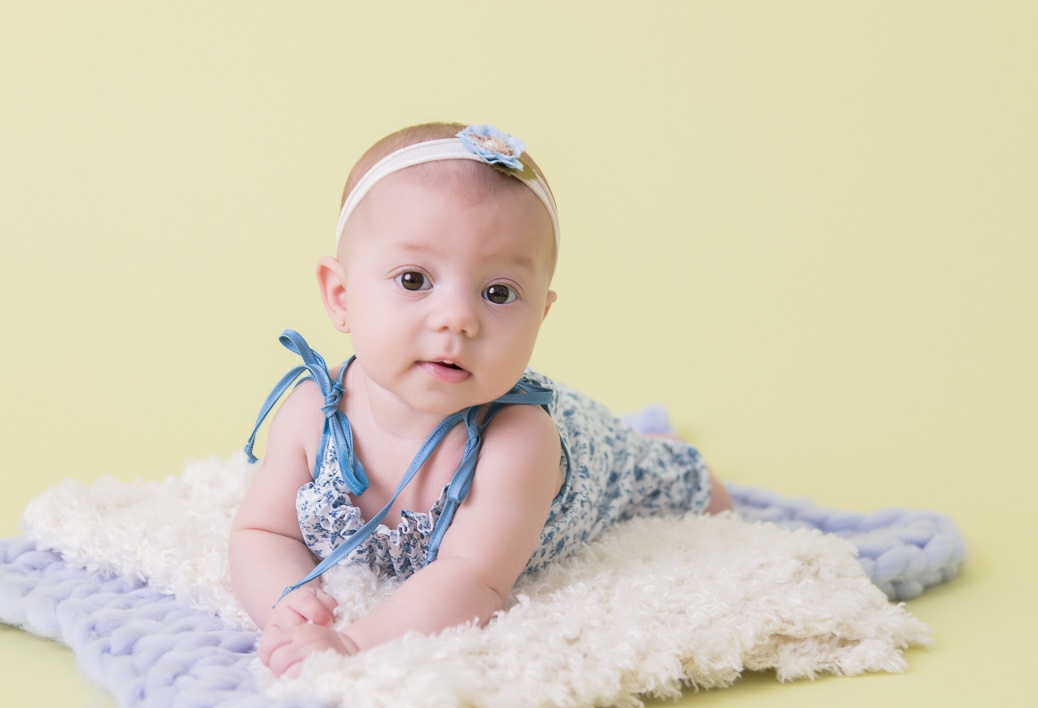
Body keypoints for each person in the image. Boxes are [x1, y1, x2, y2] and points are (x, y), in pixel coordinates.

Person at [229, 122, 733, 678]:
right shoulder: (311, 412)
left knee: (672, 479)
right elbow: (262, 531)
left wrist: (356, 644)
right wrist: (285, 600)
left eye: (498, 293)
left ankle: (656, 446)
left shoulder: (518, 439)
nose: (458, 319)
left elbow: (472, 578)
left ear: (540, 314)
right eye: (415, 279)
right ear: (341, 296)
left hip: (590, 459)